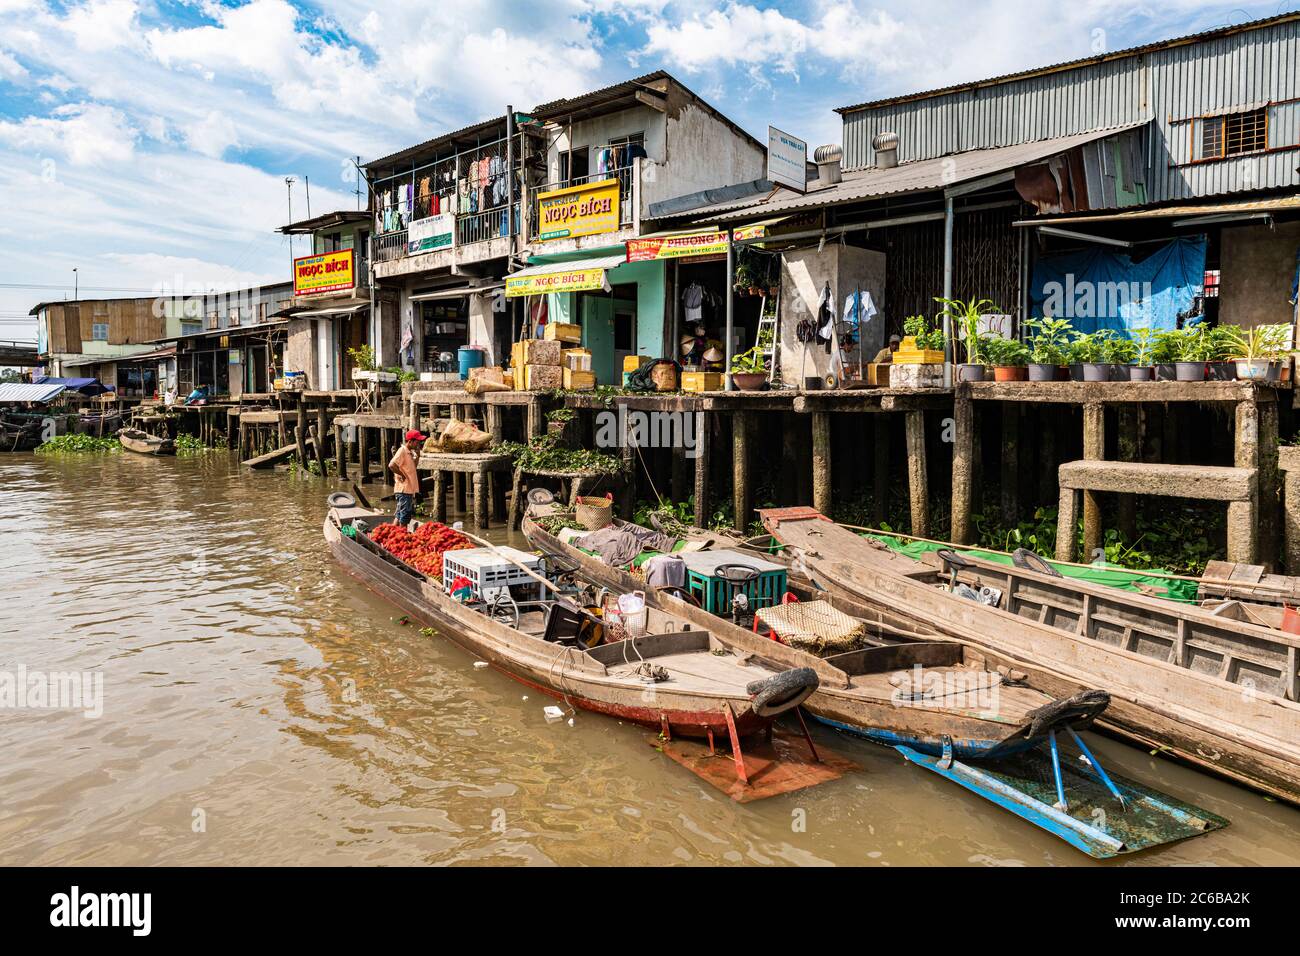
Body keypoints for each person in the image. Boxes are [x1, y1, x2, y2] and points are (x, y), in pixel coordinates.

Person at [389, 429, 426, 527]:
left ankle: (394, 533)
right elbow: (392, 465)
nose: (418, 444)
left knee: (399, 515)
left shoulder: (409, 453)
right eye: (417, 442)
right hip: (404, 490)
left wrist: (417, 456)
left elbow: (414, 467)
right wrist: (402, 475)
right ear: (410, 441)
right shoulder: (402, 451)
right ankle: (402, 536)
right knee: (404, 517)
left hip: (407, 490)